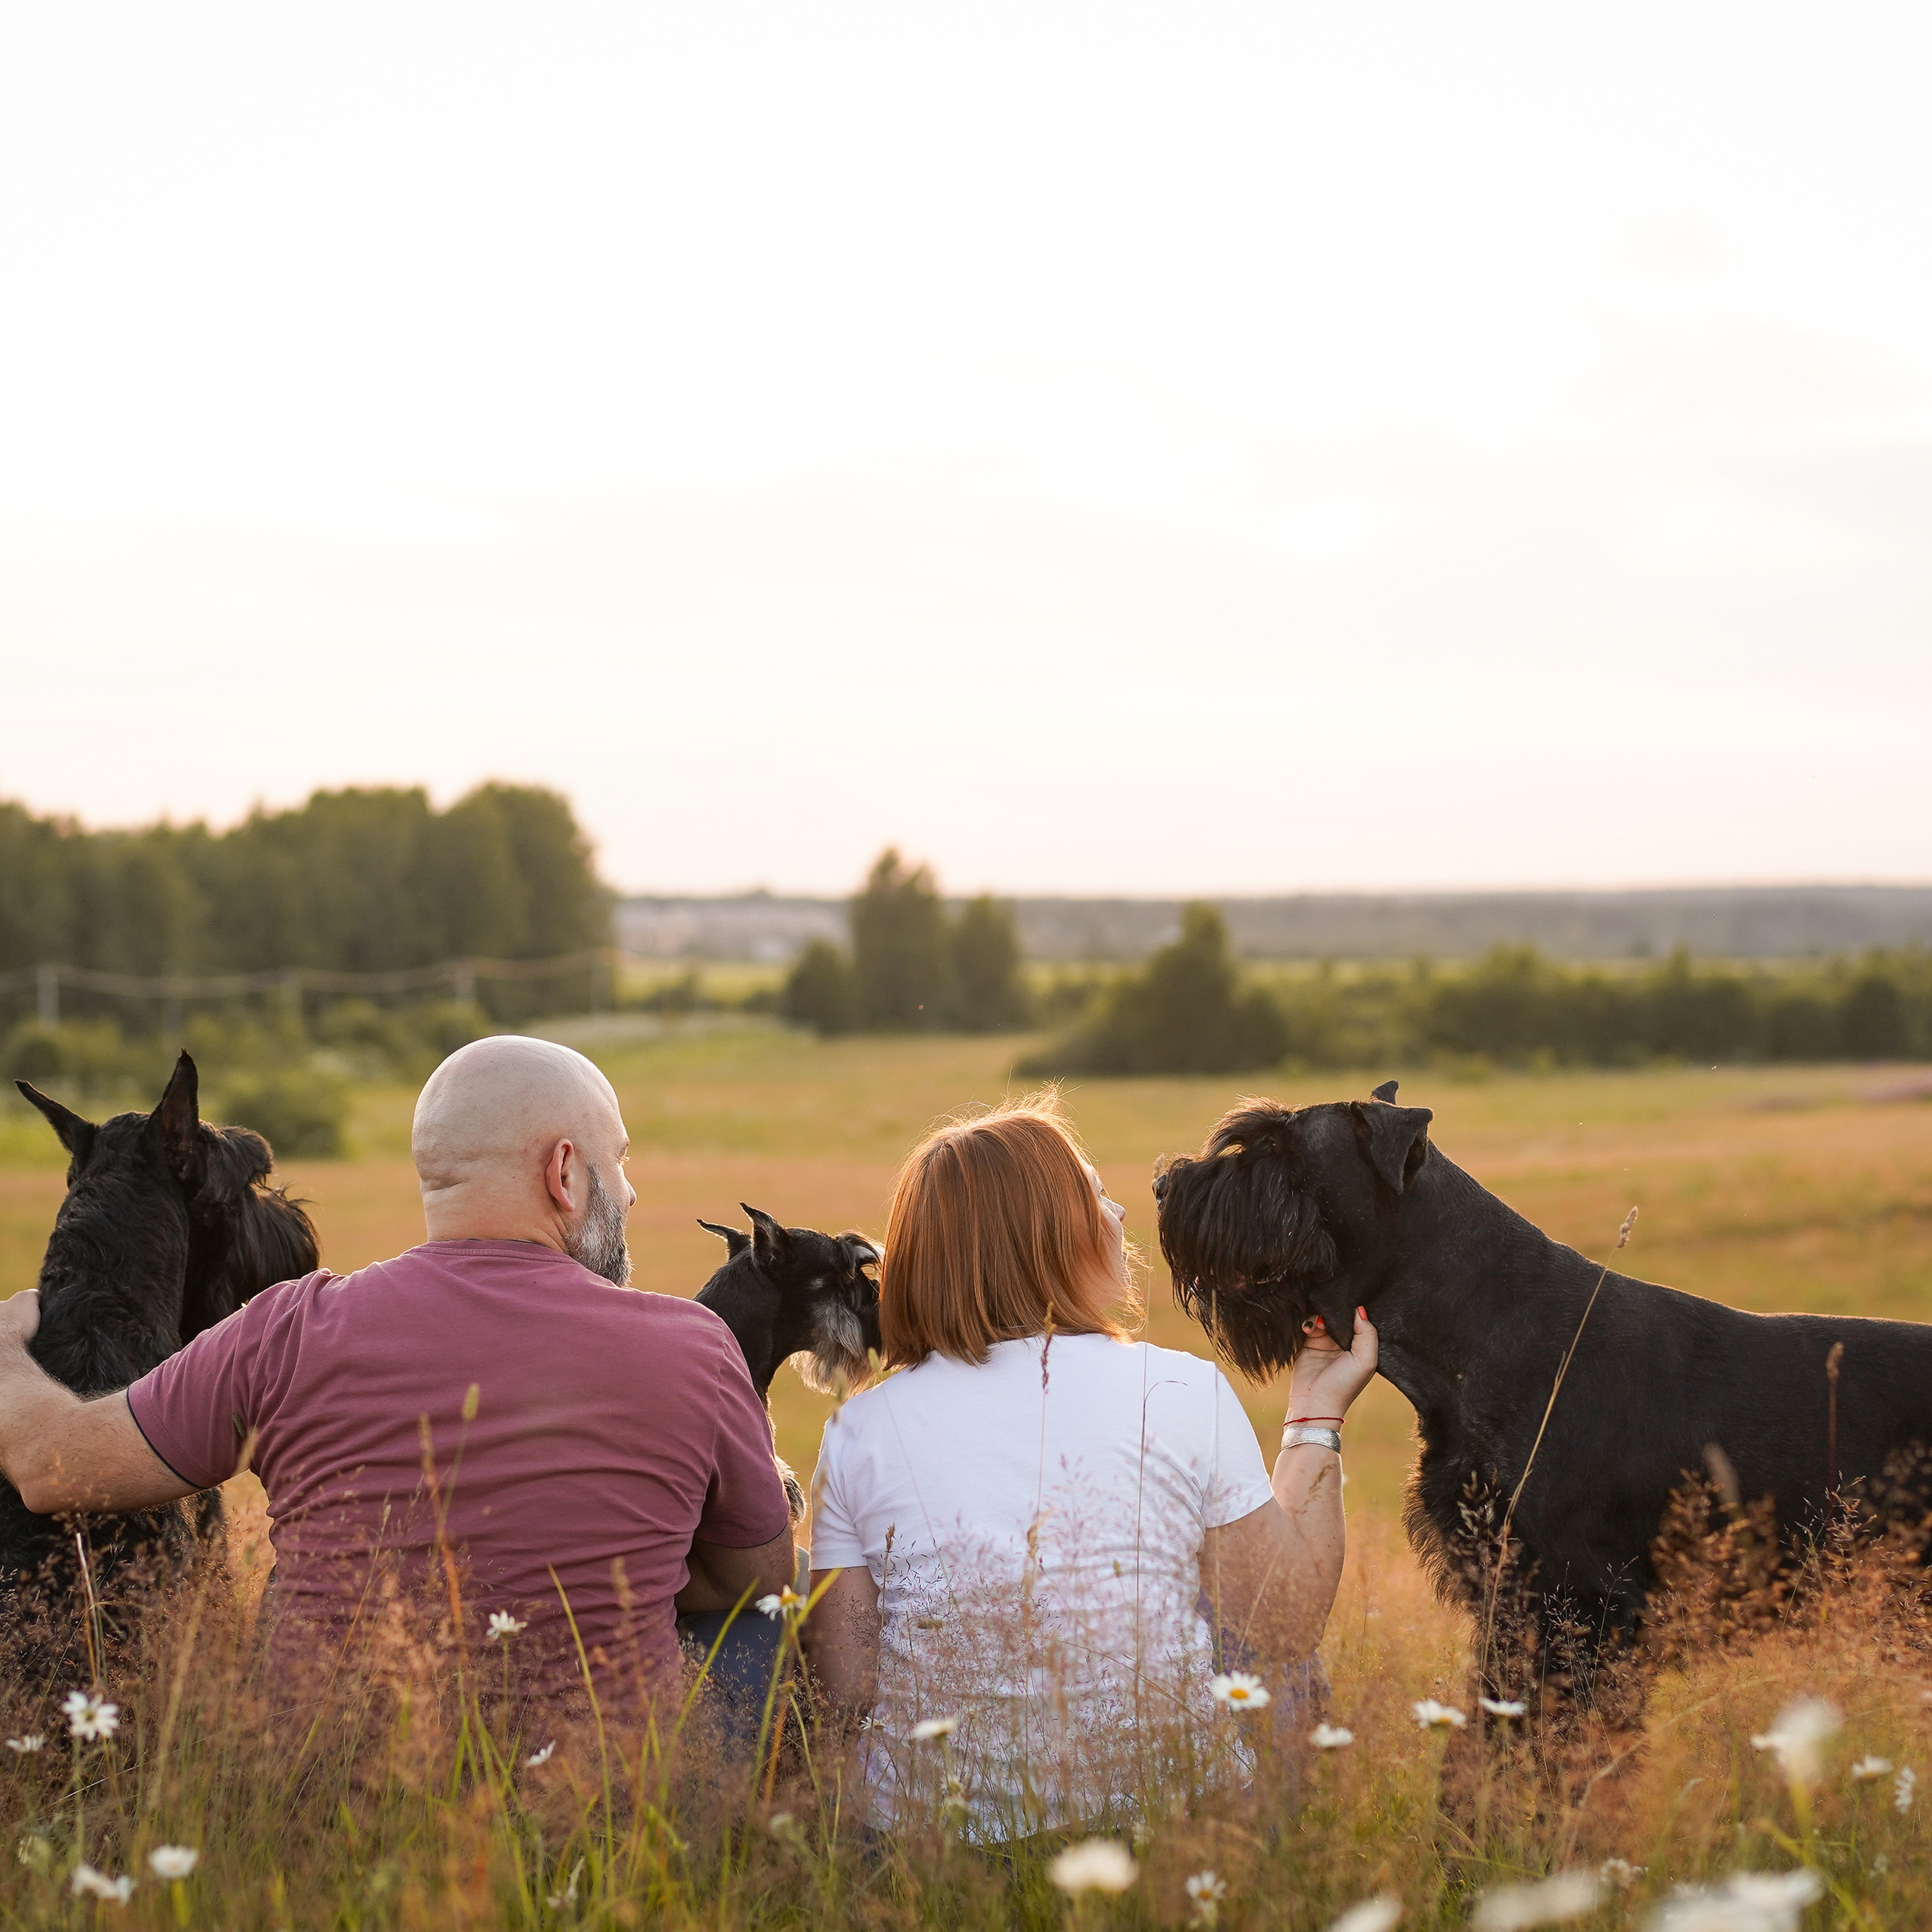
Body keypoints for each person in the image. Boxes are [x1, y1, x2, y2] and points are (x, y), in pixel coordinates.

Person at [0, 1035, 795, 1705]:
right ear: (563, 1172)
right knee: (765, 1625)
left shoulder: (281, 1330)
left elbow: (46, 1467)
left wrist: (8, 1347)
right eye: (616, 1161)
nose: (629, 1187)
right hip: (601, 1823)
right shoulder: (695, 1345)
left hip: (319, 1813)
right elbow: (755, 1581)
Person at [802, 1094, 1376, 1841]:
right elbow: (1284, 1623)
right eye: (1097, 1196)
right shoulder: (1178, 1388)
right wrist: (1315, 1416)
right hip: (1171, 1841)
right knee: (1280, 1667)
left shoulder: (857, 1431)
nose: (1120, 1216)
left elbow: (843, 1686)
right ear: (1053, 1238)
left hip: (934, 1858)